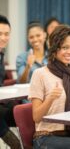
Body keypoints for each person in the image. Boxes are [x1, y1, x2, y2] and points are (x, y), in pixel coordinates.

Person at [0, 15, 21, 148]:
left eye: (6, 34)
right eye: (0, 34)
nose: (3, 37)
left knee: (20, 111)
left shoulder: (1, 54)